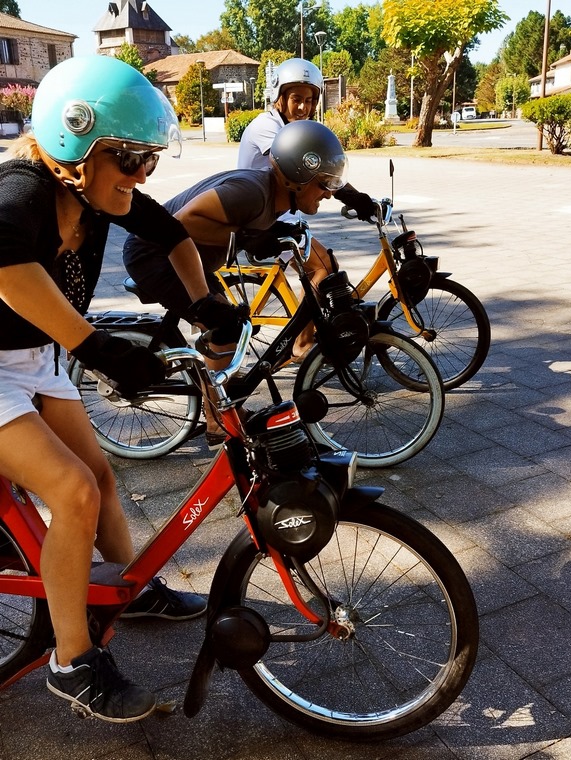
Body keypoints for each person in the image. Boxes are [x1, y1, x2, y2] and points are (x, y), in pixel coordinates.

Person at [0, 56, 245, 723]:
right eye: (130, 158)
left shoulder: (98, 195)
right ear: (75, 144)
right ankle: (72, 663)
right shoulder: (20, 190)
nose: (142, 175)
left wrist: (203, 302)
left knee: (102, 479)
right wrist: (96, 348)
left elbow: (175, 236)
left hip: (34, 359)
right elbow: (8, 269)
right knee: (72, 490)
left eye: (149, 159)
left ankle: (130, 591)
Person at [123, 118, 347, 388]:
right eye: (324, 184)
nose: (329, 194)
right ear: (298, 178)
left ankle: (221, 395)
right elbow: (182, 222)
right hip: (153, 254)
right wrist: (246, 238)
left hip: (180, 259)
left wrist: (272, 232)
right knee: (225, 329)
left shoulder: (272, 196)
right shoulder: (253, 192)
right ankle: (220, 412)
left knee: (231, 328)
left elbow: (245, 224)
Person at [237, 58, 376, 360]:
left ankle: (308, 333)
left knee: (325, 266)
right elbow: (308, 168)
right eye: (296, 99)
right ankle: (301, 344)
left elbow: (323, 167)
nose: (303, 107)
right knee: (322, 267)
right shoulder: (267, 127)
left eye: (310, 100)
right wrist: (354, 199)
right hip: (261, 221)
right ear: (280, 97)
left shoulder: (291, 128)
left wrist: (359, 198)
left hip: (282, 218)